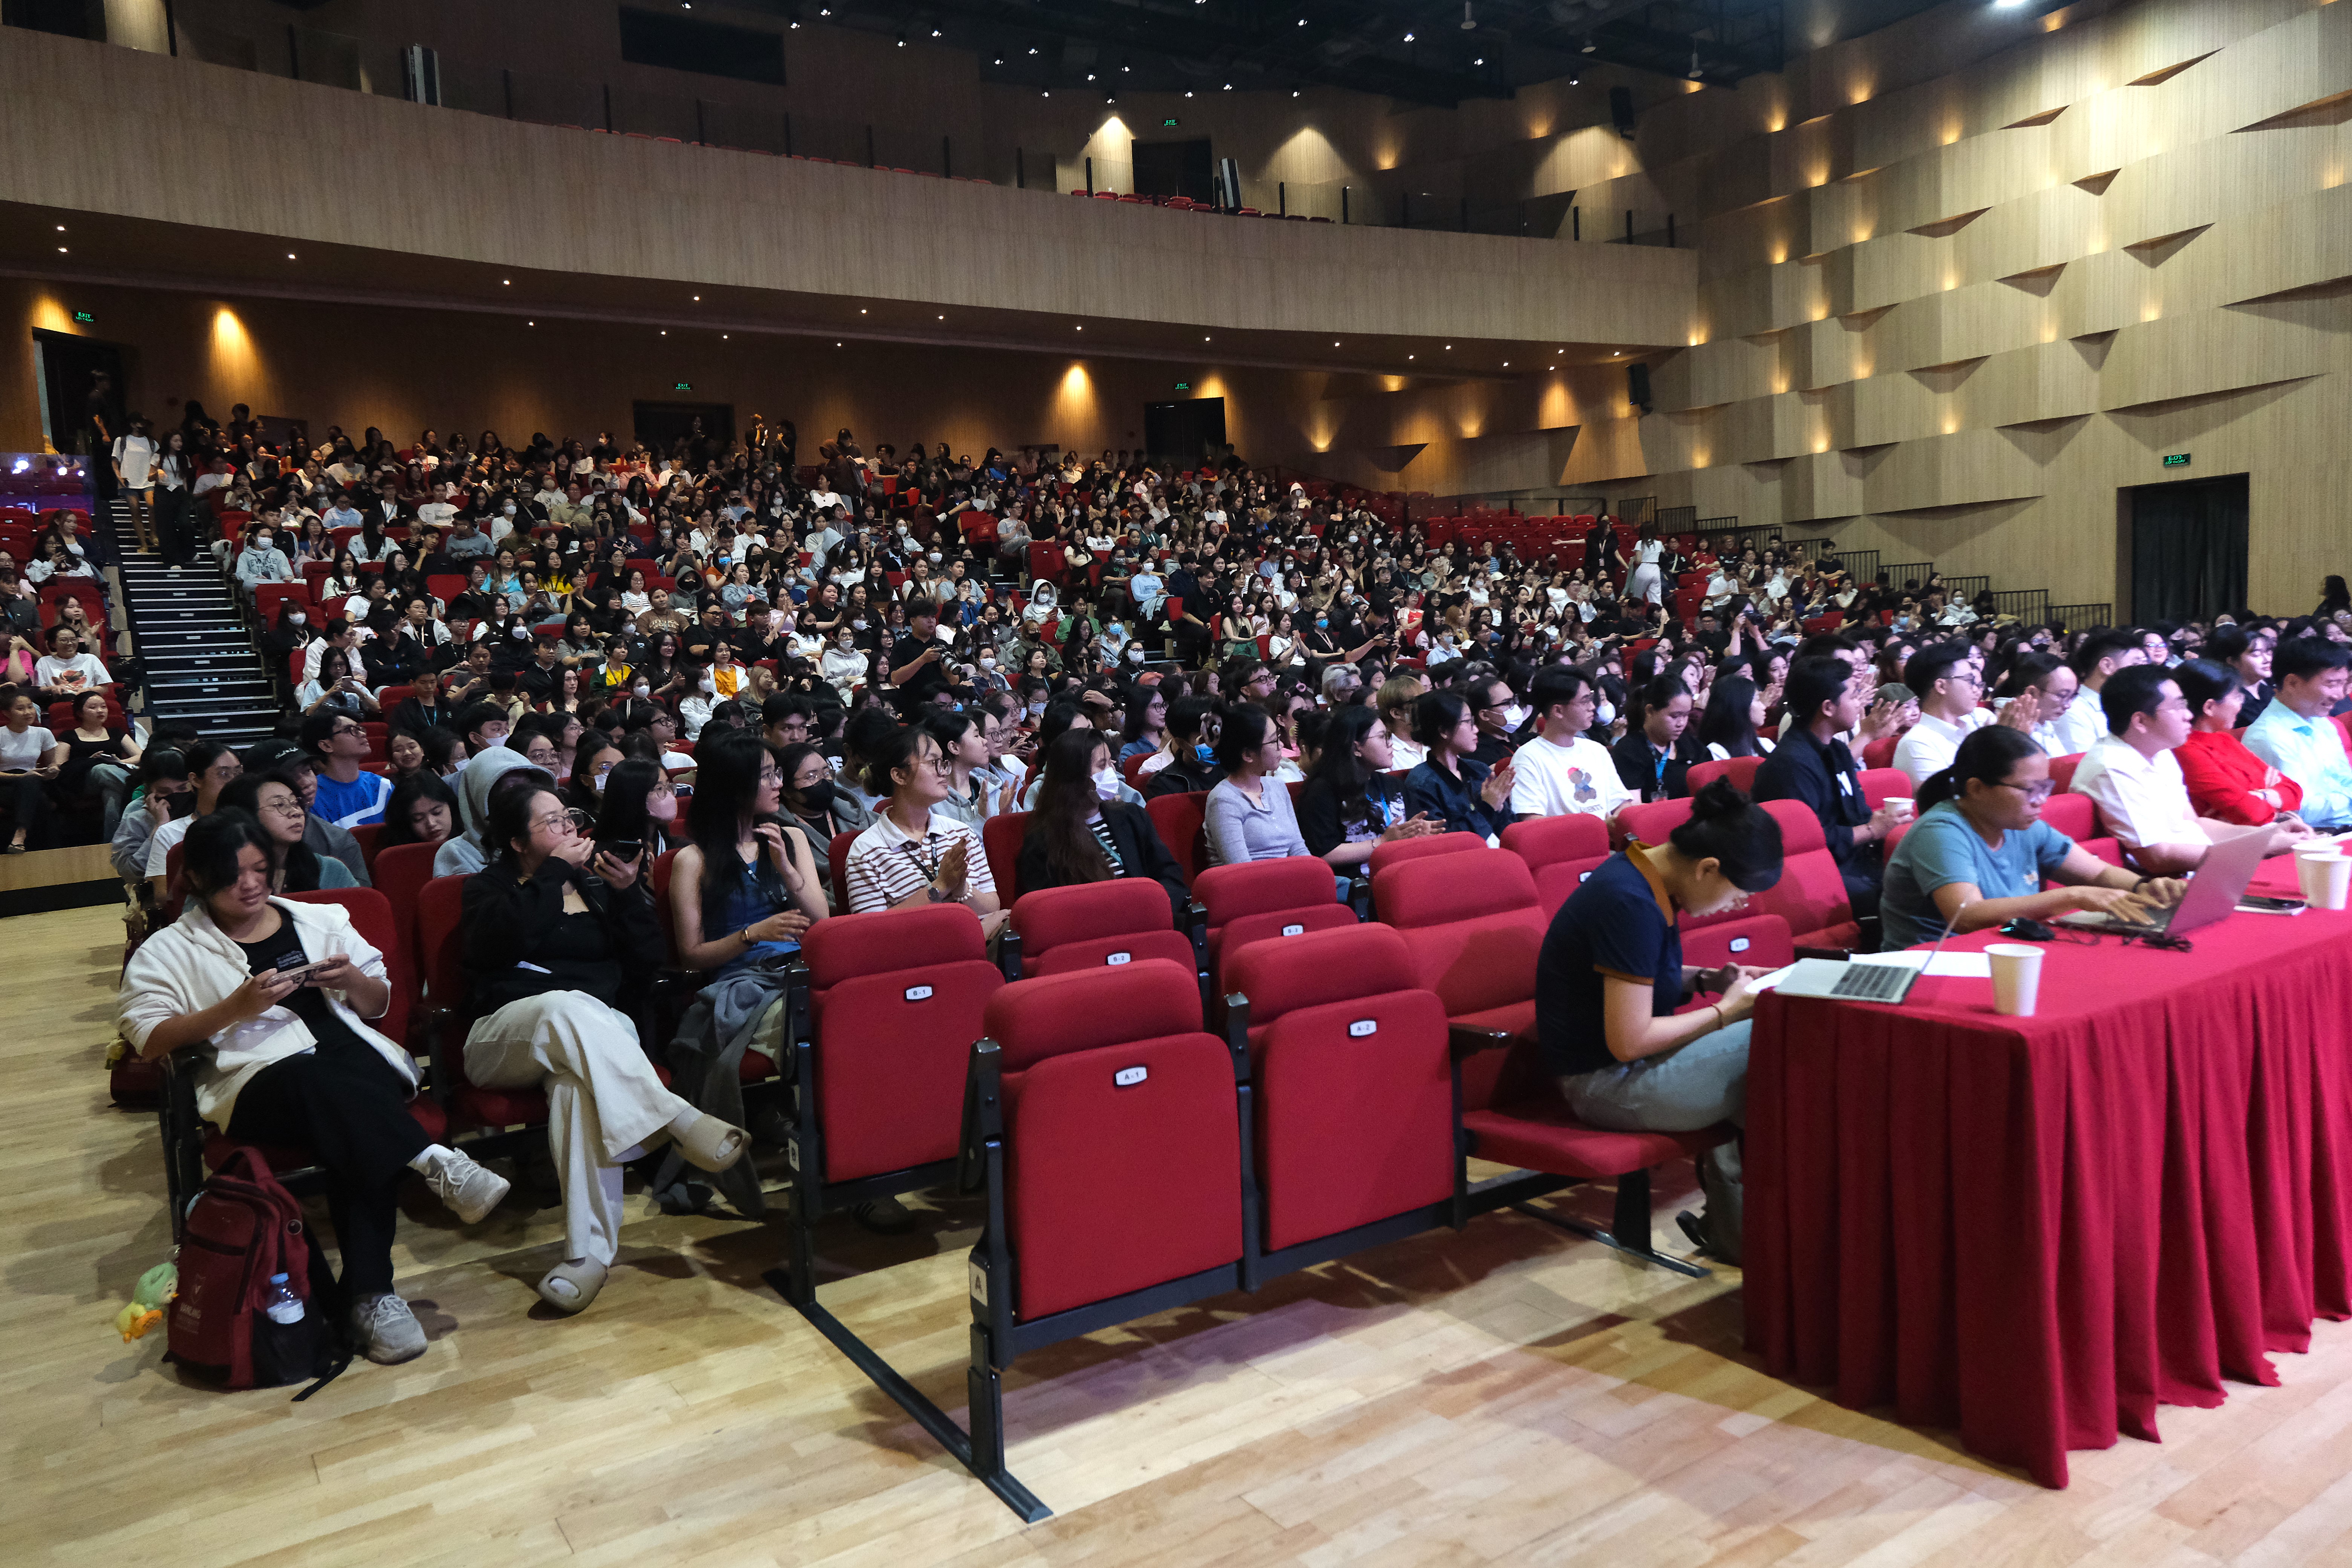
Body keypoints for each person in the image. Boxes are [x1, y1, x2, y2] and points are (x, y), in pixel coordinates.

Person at [119, 809, 511, 1365]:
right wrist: (236, 1008)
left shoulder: (320, 918)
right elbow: (150, 1039)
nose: (252, 884)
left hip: (356, 1068)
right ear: (201, 880)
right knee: (324, 1081)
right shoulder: (171, 950)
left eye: (261, 869)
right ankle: (417, 1195)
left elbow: (377, 1007)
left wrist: (351, 980)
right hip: (258, 1083)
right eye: (234, 876)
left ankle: (370, 1293)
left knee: (350, 1103)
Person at [461, 775, 750, 1313]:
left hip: (592, 1047)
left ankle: (586, 1258)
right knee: (565, 1003)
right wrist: (553, 874)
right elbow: (501, 945)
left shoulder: (596, 887)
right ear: (518, 842)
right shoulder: (488, 889)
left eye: (569, 818)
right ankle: (673, 1118)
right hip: (505, 1038)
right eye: (552, 823)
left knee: (576, 1089)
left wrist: (625, 897)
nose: (569, 828)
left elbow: (646, 965)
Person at [1537, 779, 1784, 1262]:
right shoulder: (1629, 903)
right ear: (1708, 868)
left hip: (1628, 1068)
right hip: (1605, 1084)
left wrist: (1707, 979)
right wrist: (1724, 1011)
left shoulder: (1642, 871)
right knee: (1772, 1030)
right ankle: (1755, 1234)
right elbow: (1630, 1040)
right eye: (1738, 893)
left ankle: (1748, 1233)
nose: (1736, 906)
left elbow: (1636, 978)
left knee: (1771, 1061)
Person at [661, 730, 829, 1215]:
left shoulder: (791, 836)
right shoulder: (692, 860)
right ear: (734, 785)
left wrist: (789, 872)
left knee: (853, 1005)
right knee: (818, 1019)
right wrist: (753, 933)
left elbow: (824, 925)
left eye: (778, 772)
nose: (779, 784)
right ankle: (818, 1150)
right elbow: (692, 954)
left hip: (799, 966)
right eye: (767, 775)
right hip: (740, 983)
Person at [1879, 727, 2183, 949]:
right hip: (1934, 960)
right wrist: (2072, 896)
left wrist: (2146, 887)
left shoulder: (2020, 823)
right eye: (2030, 790)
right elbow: (1967, 916)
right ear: (1976, 789)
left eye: (2045, 788)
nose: (2041, 801)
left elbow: (2099, 873)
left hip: (2005, 942)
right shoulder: (1941, 832)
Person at [2070, 664, 2311, 874]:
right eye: (2177, 707)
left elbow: (2194, 825)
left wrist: (2271, 835)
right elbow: (2159, 858)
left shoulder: (2160, 751)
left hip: (2194, 869)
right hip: (2157, 884)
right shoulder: (2112, 767)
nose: (2188, 715)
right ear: (2141, 721)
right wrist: (2265, 847)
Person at [1752, 656, 1904, 915]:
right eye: (1854, 696)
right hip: (1821, 872)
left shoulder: (1835, 750)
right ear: (1828, 708)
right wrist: (1870, 830)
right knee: (1906, 896)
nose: (1860, 704)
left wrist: (1879, 824)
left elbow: (1856, 813)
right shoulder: (1790, 765)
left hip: (1858, 860)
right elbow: (1806, 840)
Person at [841, 723, 1008, 940]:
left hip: (977, 951)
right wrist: (940, 887)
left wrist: (961, 889)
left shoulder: (960, 833)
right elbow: (871, 935)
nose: (943, 773)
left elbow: (992, 906)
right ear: (900, 776)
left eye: (943, 763)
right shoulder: (866, 850)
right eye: (933, 763)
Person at [1016, 727, 1190, 920]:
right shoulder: (1043, 840)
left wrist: (1154, 909)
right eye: (1102, 765)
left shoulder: (1132, 816)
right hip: (1091, 932)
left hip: (1148, 920)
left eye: (1110, 763)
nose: (1111, 771)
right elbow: (1048, 909)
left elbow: (1169, 873)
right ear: (1073, 777)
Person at [1295, 705, 1440, 870]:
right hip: (1357, 885)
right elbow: (1324, 854)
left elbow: (1412, 829)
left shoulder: (1393, 784)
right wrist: (1382, 842)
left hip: (1403, 871)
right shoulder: (1323, 790)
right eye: (1382, 737)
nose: (1390, 743)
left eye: (1389, 736)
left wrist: (1420, 832)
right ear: (1356, 748)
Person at [2172, 659, 2304, 826]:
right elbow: (2250, 814)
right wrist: (2269, 793)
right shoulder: (2187, 751)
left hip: (2264, 833)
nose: (2242, 702)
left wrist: (2260, 796)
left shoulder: (2225, 739)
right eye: (2237, 697)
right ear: (2210, 707)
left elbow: (2294, 790)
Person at [2242, 637, 2352, 831]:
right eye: (2331, 684)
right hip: (2315, 836)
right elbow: (2297, 808)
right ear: (2292, 683)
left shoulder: (2323, 723)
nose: (2340, 695)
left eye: (2343, 684)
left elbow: (2345, 779)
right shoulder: (2268, 736)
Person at [1513, 666, 1635, 821]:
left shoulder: (1596, 750)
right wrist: (1595, 829)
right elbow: (1532, 820)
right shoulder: (1528, 757)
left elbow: (1622, 803)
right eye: (1585, 701)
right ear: (1558, 711)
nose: (1592, 707)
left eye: (1591, 699)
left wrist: (1617, 820)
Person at [1203, 704, 1316, 867]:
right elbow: (1242, 869)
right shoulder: (1223, 800)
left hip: (1290, 879)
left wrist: (1311, 874)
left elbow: (1298, 848)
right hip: (1252, 885)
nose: (1281, 745)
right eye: (1274, 741)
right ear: (1248, 755)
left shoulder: (1277, 787)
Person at [216, 770, 359, 891]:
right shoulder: (218, 877)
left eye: (295, 803)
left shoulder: (329, 870)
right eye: (280, 805)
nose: (296, 812)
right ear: (246, 815)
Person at [1403, 689, 1515, 839]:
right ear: (1444, 731)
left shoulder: (1480, 770)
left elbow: (1510, 830)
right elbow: (1448, 841)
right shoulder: (1422, 784)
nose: (1476, 730)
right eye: (1469, 722)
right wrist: (1488, 808)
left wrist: (1500, 809)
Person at [1888, 642, 1993, 787]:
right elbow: (1955, 802)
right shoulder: (1917, 743)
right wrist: (2002, 749)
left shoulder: (1976, 723)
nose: (1976, 690)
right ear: (1941, 686)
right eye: (1970, 681)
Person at [434, 746, 543, 877]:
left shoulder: (549, 833)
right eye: (512, 790)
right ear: (482, 798)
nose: (524, 798)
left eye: (528, 788)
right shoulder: (457, 852)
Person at [2050, 630, 2142, 755]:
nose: (2145, 672)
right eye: (2137, 664)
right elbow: (2085, 766)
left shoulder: (2131, 705)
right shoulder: (2073, 711)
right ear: (2107, 666)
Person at [1609, 673, 1696, 804]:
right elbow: (1633, 807)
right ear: (1650, 711)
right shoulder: (1629, 750)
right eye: (1675, 716)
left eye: (1686, 715)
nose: (1681, 723)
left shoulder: (1689, 743)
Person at [0, 684, 66, 852]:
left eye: (30, 707)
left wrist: (52, 770)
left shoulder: (43, 733)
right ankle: (51, 851)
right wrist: (21, 777)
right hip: (5, 782)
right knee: (41, 802)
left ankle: (20, 840)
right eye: (20, 709)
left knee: (33, 785)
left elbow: (52, 763)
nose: (28, 712)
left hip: (32, 780)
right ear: (7, 713)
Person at [301, 711, 392, 828]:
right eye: (350, 730)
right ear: (326, 746)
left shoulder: (382, 786)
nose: (362, 734)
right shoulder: (311, 797)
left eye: (360, 729)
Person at [1693, 672, 1773, 761]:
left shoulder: (1767, 744)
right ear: (1739, 706)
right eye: (1758, 700)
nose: (1763, 707)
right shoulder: (1717, 752)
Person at [376, 771, 459, 852]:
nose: (431, 824)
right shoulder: (398, 855)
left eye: (437, 813)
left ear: (451, 807)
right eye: (418, 819)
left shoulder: (470, 839)